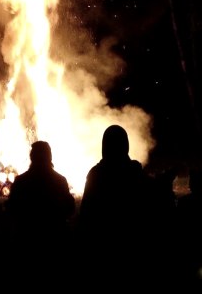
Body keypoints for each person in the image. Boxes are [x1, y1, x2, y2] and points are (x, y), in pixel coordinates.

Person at [77, 124, 154, 290]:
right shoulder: (135, 172)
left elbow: (86, 213)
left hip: (102, 249)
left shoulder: (96, 174)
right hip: (132, 248)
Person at [5, 140, 76, 282]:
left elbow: (11, 209)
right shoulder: (60, 181)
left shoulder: (20, 181)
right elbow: (69, 209)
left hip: (27, 246)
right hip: (55, 245)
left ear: (32, 157)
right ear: (49, 157)